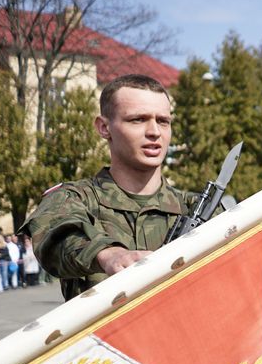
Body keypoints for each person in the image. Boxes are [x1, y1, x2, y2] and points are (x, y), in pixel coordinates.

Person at [24, 74, 198, 300]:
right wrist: (106, 254)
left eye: (163, 121)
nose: (154, 131)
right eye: (137, 119)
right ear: (104, 128)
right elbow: (54, 235)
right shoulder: (75, 199)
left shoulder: (196, 209)